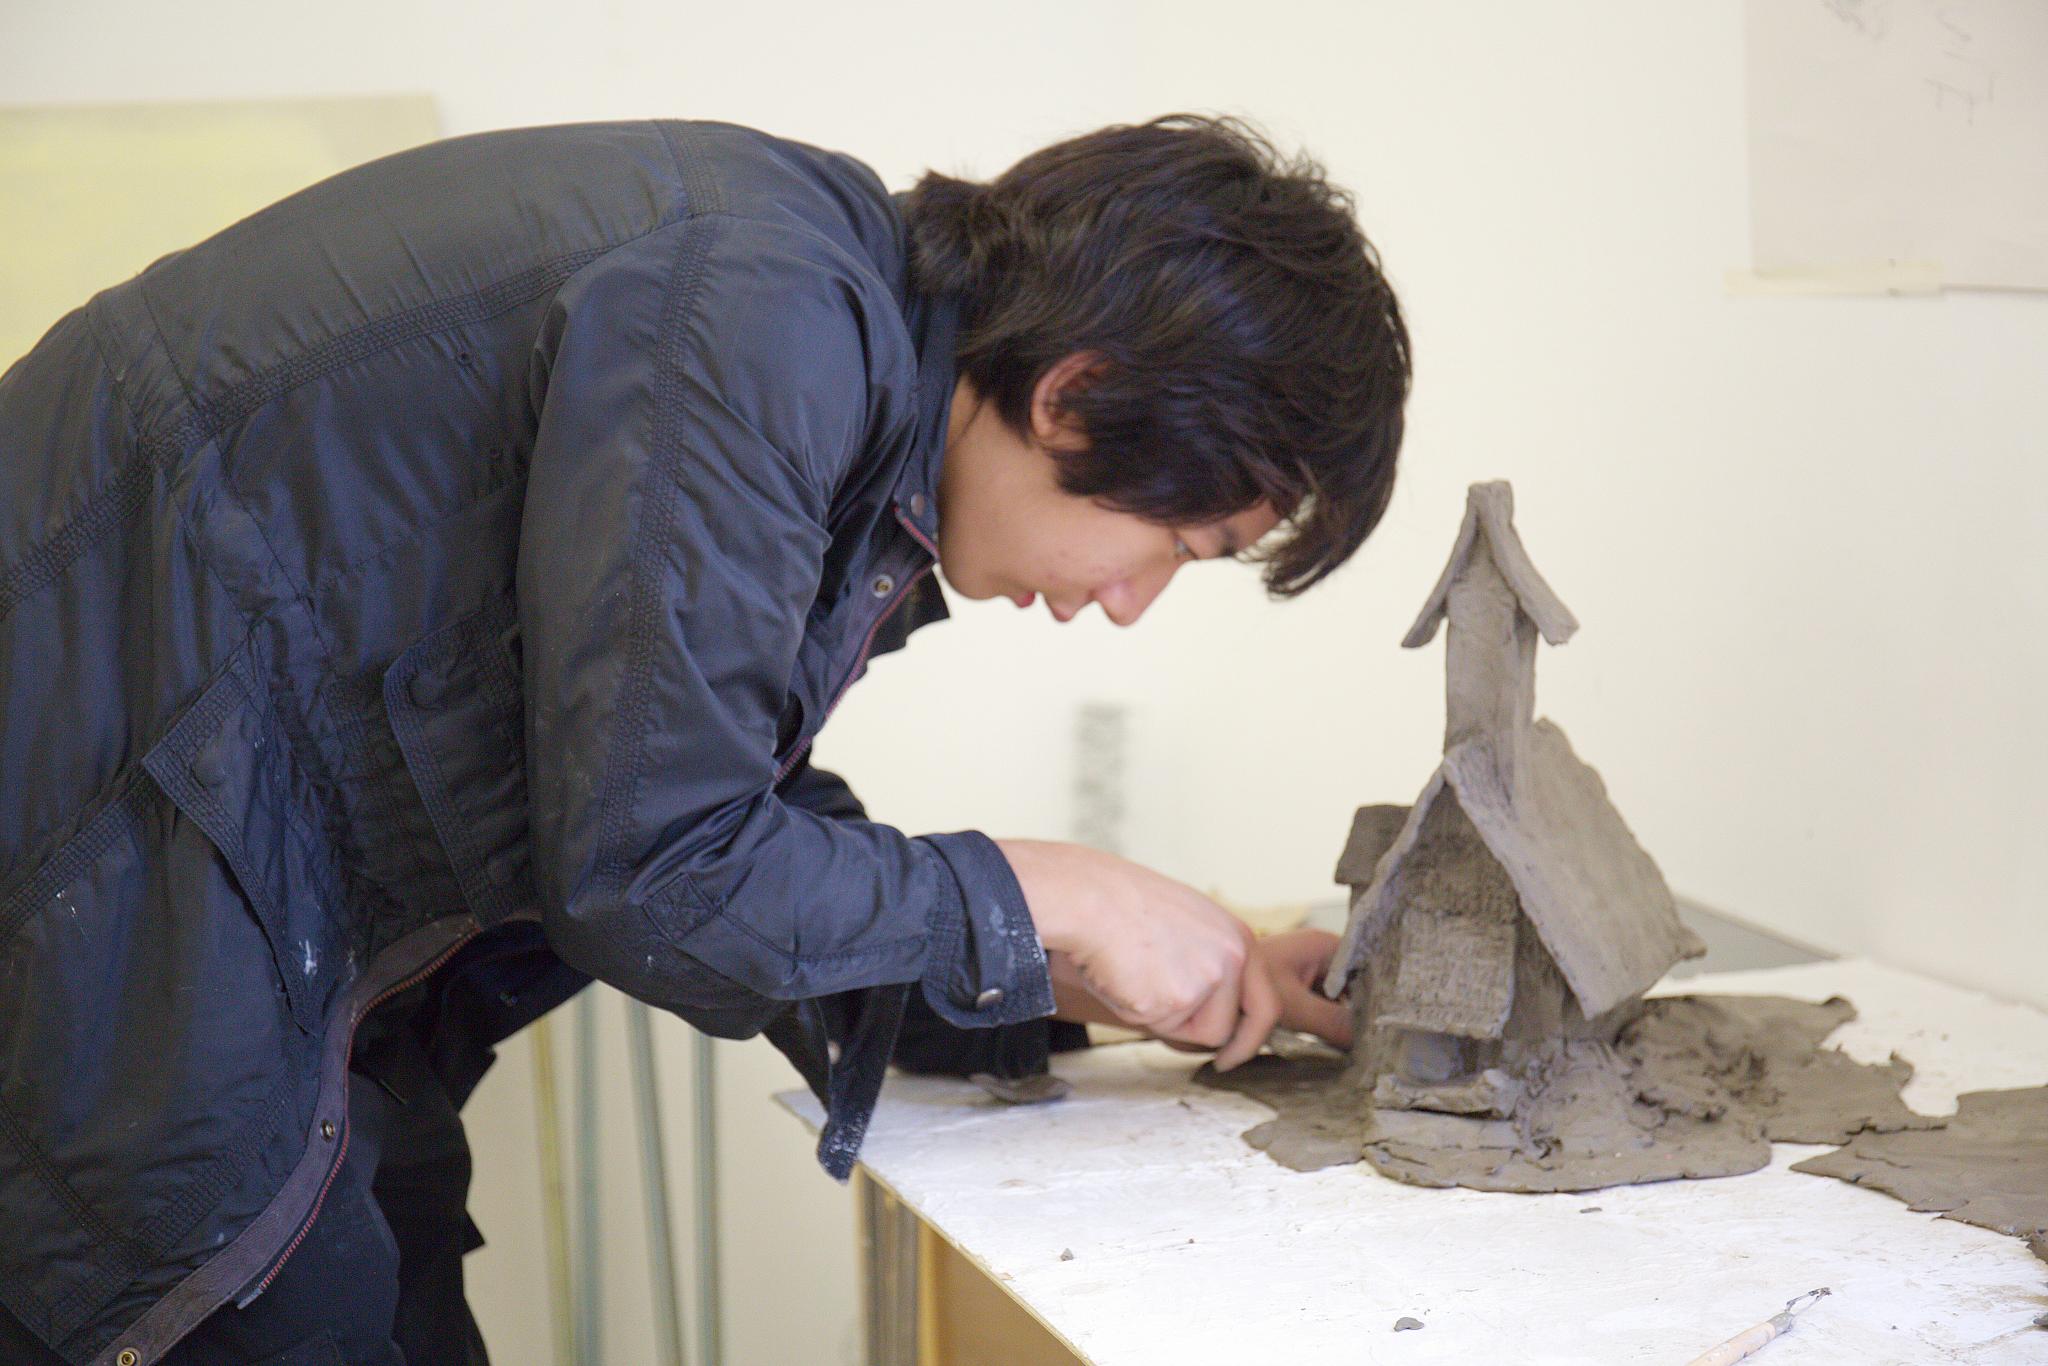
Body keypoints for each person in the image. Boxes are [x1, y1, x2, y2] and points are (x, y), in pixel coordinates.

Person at [0, 112, 1409, 1364]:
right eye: (1175, 541)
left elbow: (731, 826)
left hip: (253, 950)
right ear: (1078, 396)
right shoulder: (766, 321)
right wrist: (1049, 889)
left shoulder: (845, 377)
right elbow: (661, 868)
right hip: (110, 906)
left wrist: (1080, 974)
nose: (1127, 603)